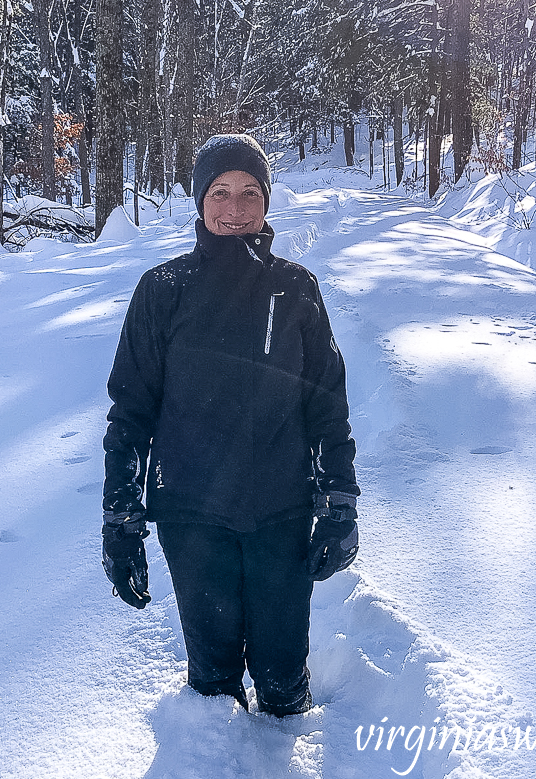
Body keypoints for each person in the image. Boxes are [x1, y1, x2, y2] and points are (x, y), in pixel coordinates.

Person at [101, 133, 359, 717]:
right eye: (220, 192)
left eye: (249, 192)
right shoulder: (162, 291)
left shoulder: (295, 288)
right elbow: (130, 412)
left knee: (283, 683)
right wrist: (120, 517)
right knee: (213, 685)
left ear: (267, 201)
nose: (235, 208)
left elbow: (326, 403)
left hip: (281, 511)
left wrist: (339, 499)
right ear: (199, 201)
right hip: (192, 517)